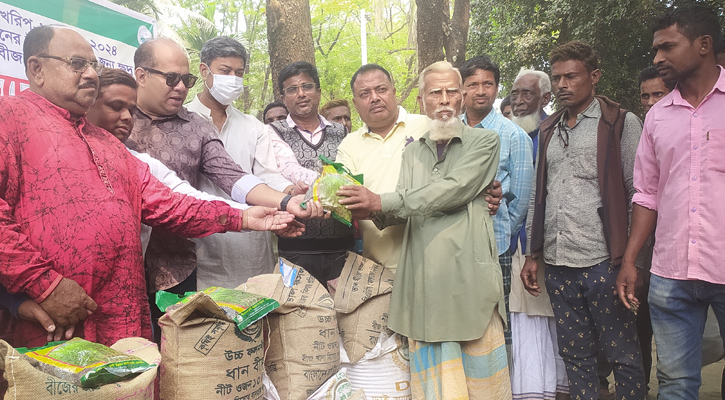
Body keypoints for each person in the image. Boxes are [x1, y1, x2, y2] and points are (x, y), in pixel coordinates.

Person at [0, 26, 299, 347]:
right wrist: (45, 284)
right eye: (77, 64)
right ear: (36, 69)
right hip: (57, 321)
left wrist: (244, 218)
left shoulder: (106, 143)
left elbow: (166, 201)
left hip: (123, 317)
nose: (90, 74)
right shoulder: (10, 117)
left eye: (93, 65)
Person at [126, 38, 323, 341]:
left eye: (185, 80)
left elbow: (233, 177)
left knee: (181, 356)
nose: (180, 87)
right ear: (141, 76)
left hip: (176, 265)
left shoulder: (195, 126)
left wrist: (285, 202)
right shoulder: (116, 118)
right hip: (123, 266)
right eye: (171, 78)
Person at [338, 61, 510, 399]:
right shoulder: (413, 151)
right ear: (422, 102)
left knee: (481, 381)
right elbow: (403, 208)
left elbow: (452, 190)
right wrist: (365, 208)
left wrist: (380, 201)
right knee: (436, 386)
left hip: (467, 276)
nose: (444, 99)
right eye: (435, 92)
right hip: (423, 281)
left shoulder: (485, 142)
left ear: (461, 98)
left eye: (451, 91)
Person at [521, 40, 646, 400]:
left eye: (570, 76)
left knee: (621, 353)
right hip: (559, 262)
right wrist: (533, 253)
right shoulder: (549, 129)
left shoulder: (620, 123)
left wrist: (630, 260)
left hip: (605, 261)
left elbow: (638, 191)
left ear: (594, 77)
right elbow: (536, 195)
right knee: (575, 355)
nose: (561, 85)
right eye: (557, 77)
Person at [616, 5, 725, 398]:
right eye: (655, 50)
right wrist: (631, 259)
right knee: (676, 383)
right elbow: (646, 194)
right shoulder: (658, 117)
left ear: (703, 45)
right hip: (671, 275)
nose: (658, 58)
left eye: (667, 47)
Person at [335, 63, 503, 274]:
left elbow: (459, 181)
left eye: (381, 89)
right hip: (379, 266)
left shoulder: (434, 125)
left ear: (395, 93)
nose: (375, 97)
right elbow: (342, 196)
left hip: (439, 261)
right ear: (355, 104)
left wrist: (484, 188)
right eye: (365, 93)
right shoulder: (349, 145)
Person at [186, 37, 304, 289]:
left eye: (239, 73)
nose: (233, 79)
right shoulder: (182, 121)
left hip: (252, 250)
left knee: (260, 321)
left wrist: (292, 192)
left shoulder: (253, 127)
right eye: (225, 71)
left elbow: (268, 176)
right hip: (201, 251)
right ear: (204, 70)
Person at [459, 55, 534, 353]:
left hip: (496, 245)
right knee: (460, 320)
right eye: (473, 84)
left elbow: (521, 202)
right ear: (462, 89)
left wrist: (500, 228)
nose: (480, 91)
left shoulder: (513, 135)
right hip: (454, 245)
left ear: (497, 87)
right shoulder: (449, 133)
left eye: (487, 84)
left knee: (495, 324)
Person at [506, 69, 570, 400]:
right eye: (515, 94)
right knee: (523, 322)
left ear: (545, 98)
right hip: (512, 245)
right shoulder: (507, 133)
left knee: (550, 322)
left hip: (547, 249)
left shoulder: (554, 133)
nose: (518, 101)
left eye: (526, 94)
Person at [267, 61, 354, 286]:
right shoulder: (272, 133)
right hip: (295, 248)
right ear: (283, 96)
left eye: (307, 86)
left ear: (318, 91)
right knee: (297, 317)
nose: (301, 94)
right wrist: (330, 187)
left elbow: (353, 173)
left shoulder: (341, 132)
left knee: (346, 314)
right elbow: (278, 173)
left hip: (342, 247)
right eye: (292, 89)